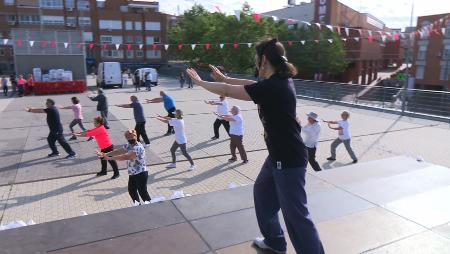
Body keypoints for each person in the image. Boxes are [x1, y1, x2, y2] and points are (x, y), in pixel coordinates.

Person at [186, 38, 324, 254]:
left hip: (288, 160)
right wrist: (227, 78)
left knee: (295, 215)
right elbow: (251, 85)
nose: (255, 63)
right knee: (263, 194)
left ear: (264, 59)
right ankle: (275, 242)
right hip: (277, 156)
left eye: (256, 59)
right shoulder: (278, 81)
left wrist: (202, 83)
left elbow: (227, 90)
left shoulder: (274, 86)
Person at [99, 129, 151, 205]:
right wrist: (106, 154)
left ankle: (151, 206)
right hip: (133, 173)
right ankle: (138, 206)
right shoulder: (129, 145)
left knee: (143, 192)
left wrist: (110, 158)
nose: (131, 139)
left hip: (141, 173)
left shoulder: (138, 147)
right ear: (126, 138)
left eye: (132, 137)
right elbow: (120, 151)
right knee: (132, 191)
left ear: (136, 136)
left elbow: (126, 156)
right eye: (128, 138)